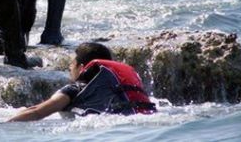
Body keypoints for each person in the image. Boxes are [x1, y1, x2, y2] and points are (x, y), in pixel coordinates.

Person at [8, 42, 156, 122]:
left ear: (81, 68)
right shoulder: (117, 87)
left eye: (72, 64)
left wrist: (5, 125)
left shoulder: (75, 89)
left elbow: (37, 112)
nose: (69, 67)